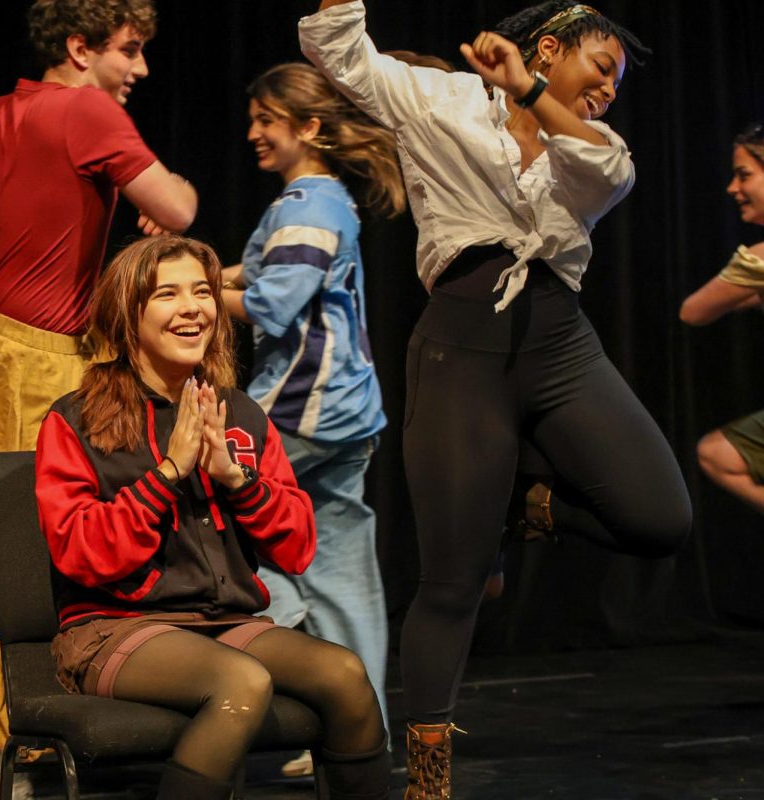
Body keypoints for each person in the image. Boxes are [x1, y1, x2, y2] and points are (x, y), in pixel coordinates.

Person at [299, 2, 692, 797]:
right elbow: (342, 52)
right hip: (462, 350)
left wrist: (534, 88)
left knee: (660, 520)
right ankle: (427, 781)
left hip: (558, 345)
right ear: (551, 46)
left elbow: (608, 171)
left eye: (616, 80)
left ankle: (523, 505)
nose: (610, 90)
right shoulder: (441, 103)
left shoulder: (589, 147)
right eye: (602, 69)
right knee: (452, 582)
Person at [0, 1, 196, 796]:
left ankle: (12, 728)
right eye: (130, 51)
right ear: (80, 49)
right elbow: (183, 207)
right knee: (32, 545)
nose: (140, 70)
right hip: (40, 362)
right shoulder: (86, 108)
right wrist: (151, 197)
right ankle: (6, 739)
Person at [35, 234, 391, 800]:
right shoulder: (76, 421)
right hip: (112, 629)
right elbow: (81, 552)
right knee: (241, 683)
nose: (192, 308)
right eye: (168, 294)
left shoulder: (240, 414)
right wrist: (168, 474)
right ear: (129, 315)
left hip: (224, 624)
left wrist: (236, 480)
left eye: (202, 292)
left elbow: (296, 547)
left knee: (345, 675)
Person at [219, 61, 405, 776]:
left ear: (310, 128)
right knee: (341, 567)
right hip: (347, 411)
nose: (254, 133)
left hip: (302, 410)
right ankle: (361, 731)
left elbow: (272, 304)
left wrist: (177, 296)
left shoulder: (308, 207)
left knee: (209, 516)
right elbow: (266, 277)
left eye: (267, 120)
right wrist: (214, 274)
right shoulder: (320, 202)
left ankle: (274, 649)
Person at [679, 123, 764, 514]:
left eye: (744, 175)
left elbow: (693, 311)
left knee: (716, 453)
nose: (733, 188)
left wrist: (750, 282)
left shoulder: (759, 260)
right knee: (719, 454)